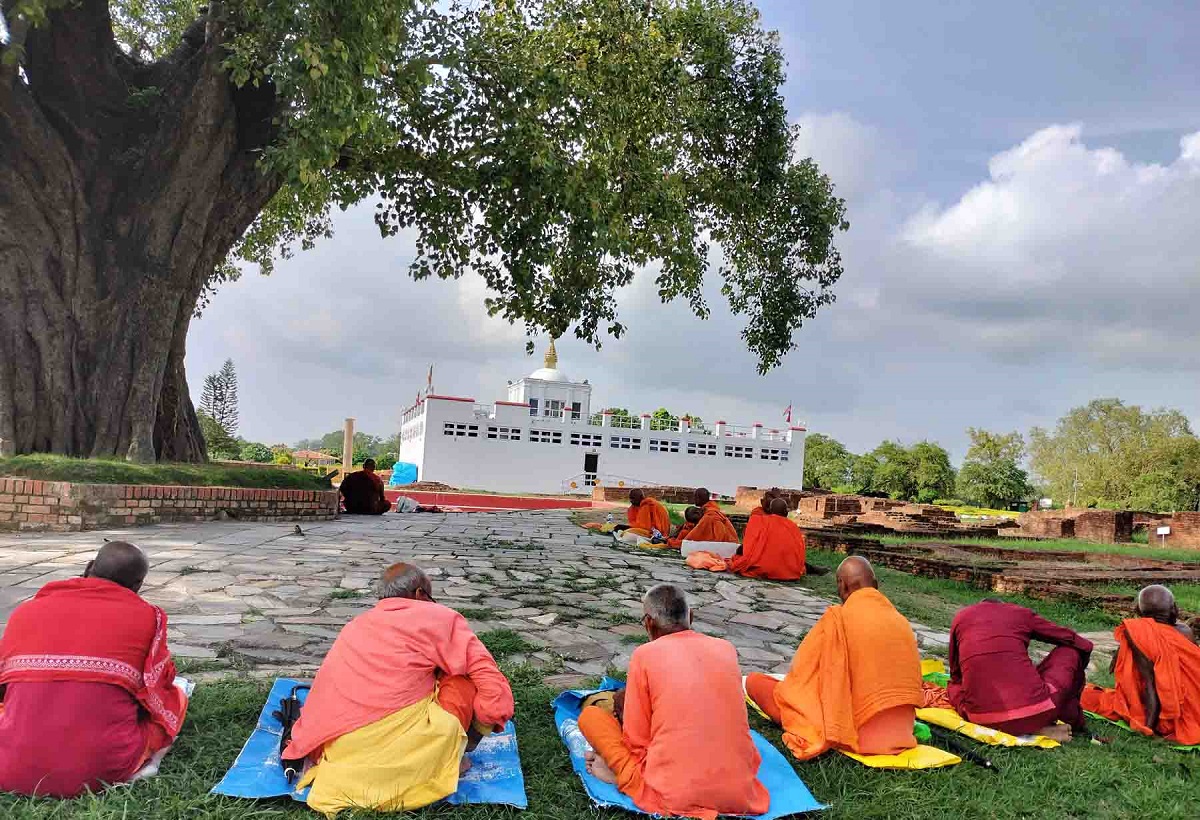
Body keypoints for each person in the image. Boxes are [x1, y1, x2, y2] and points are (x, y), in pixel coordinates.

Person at [284, 562, 514, 815]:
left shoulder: (356, 625)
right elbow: (485, 674)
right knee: (463, 679)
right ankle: (452, 760)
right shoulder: (439, 616)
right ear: (419, 595)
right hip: (411, 755)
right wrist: (490, 716)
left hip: (341, 753)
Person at [0, 542, 187, 797]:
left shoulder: (26, 611)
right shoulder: (147, 617)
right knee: (176, 698)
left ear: (88, 568)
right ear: (137, 586)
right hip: (100, 769)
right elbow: (158, 688)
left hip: (10, 767)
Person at [579, 584, 768, 820]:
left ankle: (622, 779)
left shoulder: (644, 655)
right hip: (739, 793)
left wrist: (616, 763)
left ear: (648, 623)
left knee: (592, 717)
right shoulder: (726, 648)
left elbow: (637, 741)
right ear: (691, 616)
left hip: (672, 794)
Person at [746, 556, 922, 760]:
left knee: (756, 682)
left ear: (843, 587)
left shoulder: (836, 619)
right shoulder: (902, 624)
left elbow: (801, 679)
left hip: (852, 735)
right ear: (875, 585)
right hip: (900, 734)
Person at [947, 600, 1091, 742]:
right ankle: (1069, 720)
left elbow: (955, 673)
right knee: (1071, 650)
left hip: (981, 718)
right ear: (1002, 605)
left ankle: (1024, 727)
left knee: (953, 686)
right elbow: (1075, 641)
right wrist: (1082, 660)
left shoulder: (960, 617)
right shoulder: (1019, 613)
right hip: (1036, 711)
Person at [1082, 584, 1200, 746]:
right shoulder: (1186, 631)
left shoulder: (1137, 632)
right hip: (1195, 707)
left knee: (1088, 697)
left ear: (1138, 610)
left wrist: (1147, 728)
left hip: (1169, 715)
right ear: (1174, 609)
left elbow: (1151, 684)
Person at [727, 498, 807, 580]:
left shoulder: (758, 521)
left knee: (739, 553)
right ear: (786, 512)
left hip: (764, 567)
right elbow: (800, 551)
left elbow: (750, 546)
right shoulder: (793, 527)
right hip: (790, 570)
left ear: (770, 510)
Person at [680, 488, 740, 558]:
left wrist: (672, 542)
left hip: (726, 547)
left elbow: (690, 540)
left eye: (695, 497)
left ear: (698, 498)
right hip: (730, 545)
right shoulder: (708, 512)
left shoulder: (709, 515)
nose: (694, 499)